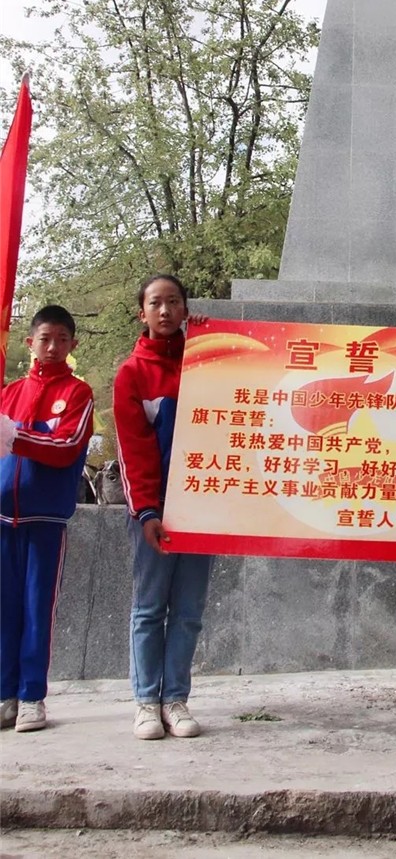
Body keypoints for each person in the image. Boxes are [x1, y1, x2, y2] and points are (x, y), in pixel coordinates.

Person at [114, 274, 213, 741]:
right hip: (154, 512)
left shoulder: (206, 362)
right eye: (156, 303)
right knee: (150, 608)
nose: (166, 310)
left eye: (174, 302)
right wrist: (147, 512)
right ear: (143, 313)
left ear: (185, 310)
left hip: (202, 505)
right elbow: (133, 451)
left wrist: (211, 337)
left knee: (189, 611)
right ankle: (145, 702)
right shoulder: (132, 374)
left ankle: (175, 699)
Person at [0, 306, 94, 733]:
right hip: (3, 517)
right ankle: (5, 694)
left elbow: (66, 447)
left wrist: (15, 436)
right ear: (29, 343)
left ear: (73, 344)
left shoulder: (77, 394)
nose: (52, 347)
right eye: (45, 339)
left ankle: (31, 697)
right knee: (4, 609)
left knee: (37, 608)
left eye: (61, 339)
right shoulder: (9, 393)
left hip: (45, 519)